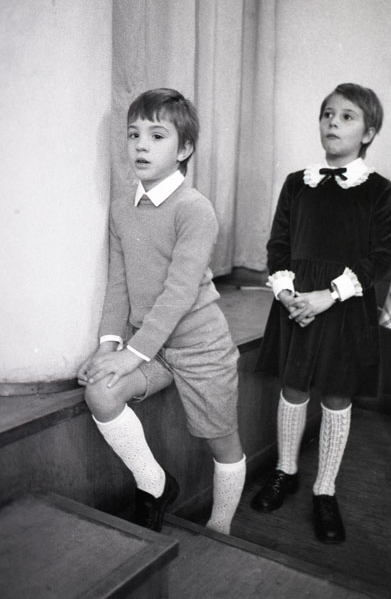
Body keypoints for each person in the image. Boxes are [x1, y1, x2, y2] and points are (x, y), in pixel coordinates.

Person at [77, 88, 246, 534]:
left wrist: (130, 355)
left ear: (184, 149)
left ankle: (221, 529)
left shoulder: (194, 209)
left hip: (199, 346)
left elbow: (178, 293)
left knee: (222, 443)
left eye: (156, 136)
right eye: (134, 134)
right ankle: (154, 485)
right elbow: (119, 284)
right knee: (100, 392)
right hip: (151, 348)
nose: (141, 145)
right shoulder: (121, 208)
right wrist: (108, 348)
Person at [252, 83, 391, 544]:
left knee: (335, 394)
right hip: (296, 305)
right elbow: (279, 244)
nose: (333, 121)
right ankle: (286, 470)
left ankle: (324, 489)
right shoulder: (298, 183)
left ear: (368, 133)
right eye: (327, 113)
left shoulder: (380, 191)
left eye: (347, 116)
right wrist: (288, 293)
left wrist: (328, 295)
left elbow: (381, 258)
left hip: (344, 306)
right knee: (293, 387)